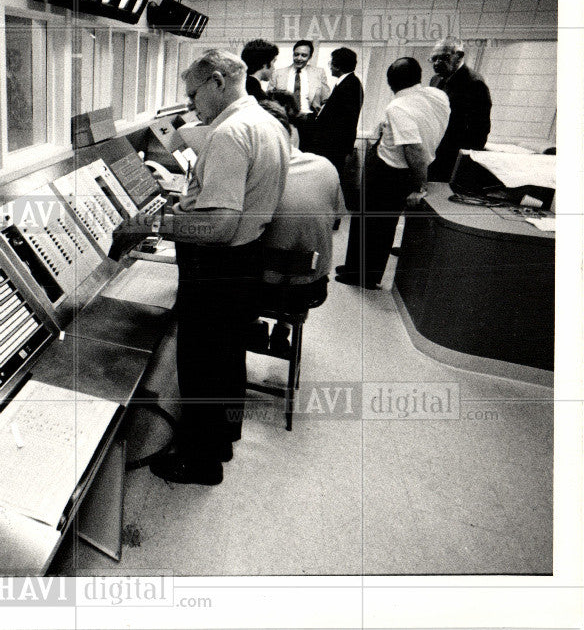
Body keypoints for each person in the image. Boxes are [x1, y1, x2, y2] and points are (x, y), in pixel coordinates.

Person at [121, 49, 289, 486]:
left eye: (193, 95)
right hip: (246, 260)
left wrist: (157, 223)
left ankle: (200, 462)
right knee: (227, 357)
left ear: (217, 81)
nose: (191, 105)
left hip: (217, 267)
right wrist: (187, 204)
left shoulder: (230, 133)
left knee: (200, 365)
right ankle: (223, 436)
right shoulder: (268, 124)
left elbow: (217, 225)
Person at [336, 58, 450, 289]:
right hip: (408, 167)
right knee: (378, 224)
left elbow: (414, 149)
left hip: (389, 171)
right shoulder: (438, 97)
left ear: (390, 82)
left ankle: (362, 276)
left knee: (372, 225)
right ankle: (354, 267)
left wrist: (420, 187)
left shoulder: (397, 107)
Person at [256, 101, 344, 353]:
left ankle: (253, 324)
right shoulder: (326, 166)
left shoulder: (257, 174)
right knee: (296, 252)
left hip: (261, 290)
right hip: (309, 289)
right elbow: (337, 216)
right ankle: (283, 328)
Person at [427, 36, 492, 182]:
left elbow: (480, 130)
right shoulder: (435, 79)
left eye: (443, 58)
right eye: (434, 58)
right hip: (433, 151)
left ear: (459, 56)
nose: (437, 63)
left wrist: (463, 165)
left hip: (452, 157)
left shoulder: (474, 83)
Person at [309, 47, 363, 202]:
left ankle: (331, 215)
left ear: (338, 66)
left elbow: (342, 122)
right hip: (334, 146)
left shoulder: (349, 86)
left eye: (331, 63)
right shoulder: (348, 83)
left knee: (330, 182)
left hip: (333, 147)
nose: (330, 66)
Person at [271, 39, 331, 117]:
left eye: (304, 55)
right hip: (285, 118)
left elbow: (326, 99)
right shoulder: (278, 73)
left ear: (310, 57)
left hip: (310, 119)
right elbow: (270, 99)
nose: (299, 58)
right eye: (296, 54)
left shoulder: (319, 73)